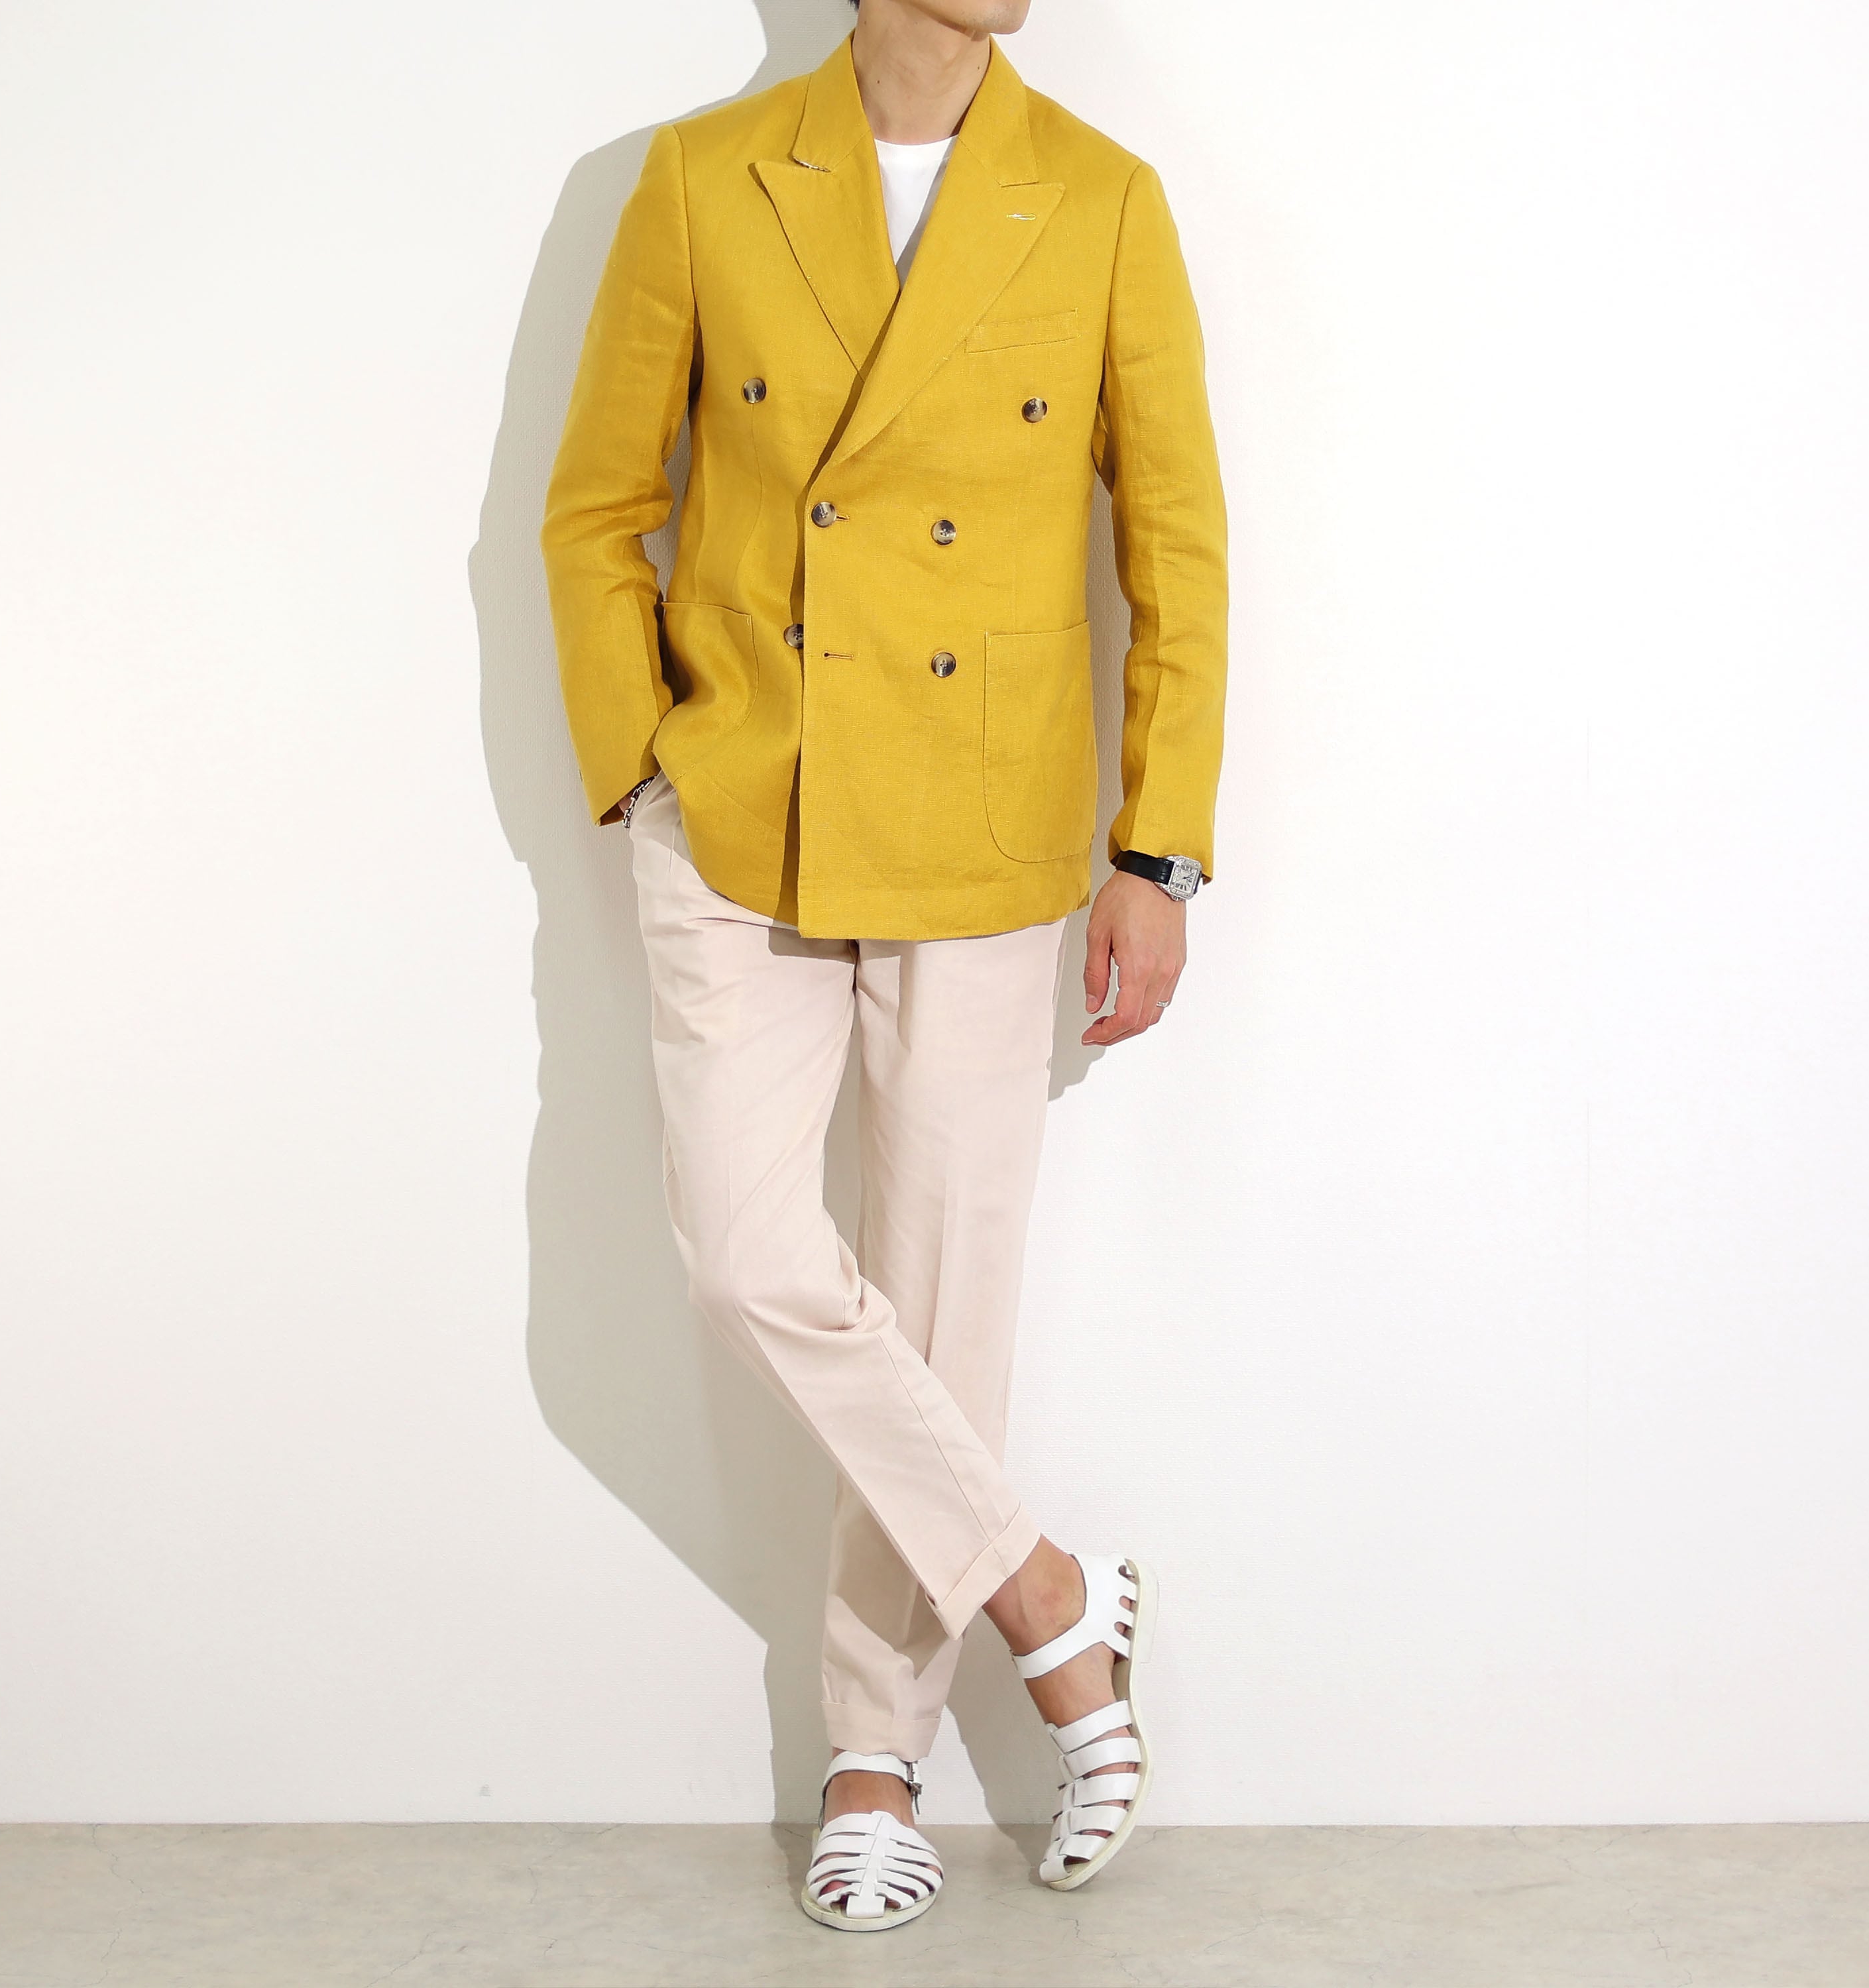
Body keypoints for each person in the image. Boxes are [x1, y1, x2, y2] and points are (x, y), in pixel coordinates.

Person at [541, 0, 1225, 1930]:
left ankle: (873, 1760)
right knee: (746, 1250)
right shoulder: (702, 179)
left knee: (937, 1302)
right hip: (741, 805)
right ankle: (1053, 1603)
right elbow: (597, 510)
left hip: (981, 810)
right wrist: (645, 765)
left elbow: (1177, 544)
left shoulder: (1099, 197)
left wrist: (1157, 848)